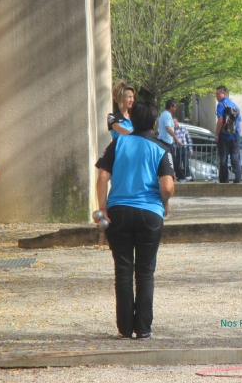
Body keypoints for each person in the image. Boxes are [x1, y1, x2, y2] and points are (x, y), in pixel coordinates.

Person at [94, 100, 175, 339]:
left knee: (123, 270)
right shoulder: (160, 148)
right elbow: (167, 186)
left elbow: (102, 177)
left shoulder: (117, 143)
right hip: (149, 213)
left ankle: (124, 328)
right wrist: (165, 202)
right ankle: (143, 328)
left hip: (118, 212)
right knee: (145, 272)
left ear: (132, 119)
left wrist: (102, 207)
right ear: (153, 123)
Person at [214, 85, 242, 184]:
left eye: (218, 94)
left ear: (224, 93)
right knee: (235, 158)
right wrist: (238, 135)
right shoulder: (235, 105)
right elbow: (239, 122)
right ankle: (238, 179)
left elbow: (220, 120)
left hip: (224, 136)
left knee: (223, 159)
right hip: (235, 136)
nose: (216, 96)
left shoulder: (221, 105)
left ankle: (224, 181)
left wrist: (216, 135)